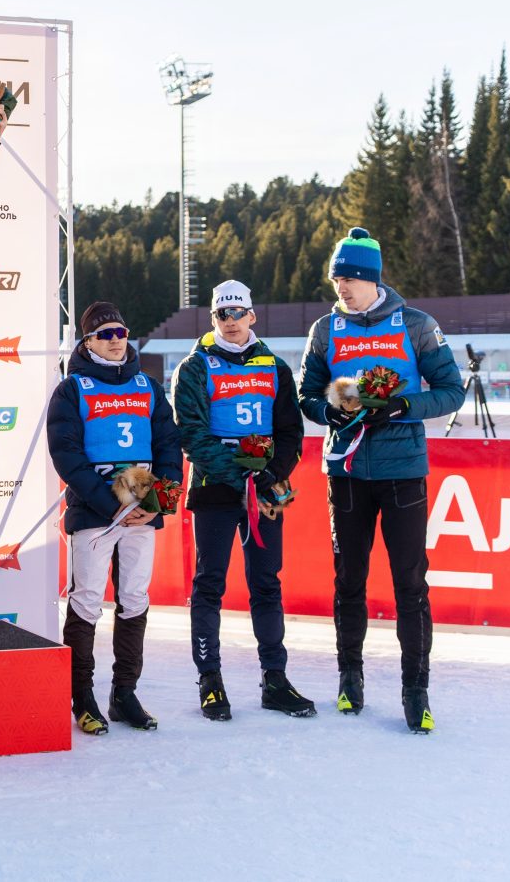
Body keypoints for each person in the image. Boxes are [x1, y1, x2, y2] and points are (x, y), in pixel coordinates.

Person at [297, 227, 464, 733]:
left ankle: (416, 689)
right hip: (346, 472)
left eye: (347, 279)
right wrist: (330, 412)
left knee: (410, 583)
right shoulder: (325, 329)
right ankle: (350, 677)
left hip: (402, 472)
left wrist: (402, 406)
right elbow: (307, 394)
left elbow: (451, 391)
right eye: (336, 280)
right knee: (349, 579)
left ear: (371, 279)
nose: (340, 288)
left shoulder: (415, 325)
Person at [170, 280, 314, 722]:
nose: (230, 321)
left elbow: (291, 432)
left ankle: (275, 679)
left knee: (267, 583)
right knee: (210, 584)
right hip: (215, 488)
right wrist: (243, 478)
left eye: (238, 313)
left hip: (265, 492)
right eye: (222, 314)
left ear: (252, 315)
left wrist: (271, 476)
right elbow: (192, 436)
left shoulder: (275, 367)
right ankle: (210, 680)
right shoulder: (195, 367)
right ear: (213, 318)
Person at [45, 301, 182, 735]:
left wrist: (160, 500)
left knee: (135, 598)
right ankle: (81, 697)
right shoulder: (72, 389)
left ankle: (125, 693)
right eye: (105, 334)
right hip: (96, 513)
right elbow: (66, 454)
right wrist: (111, 505)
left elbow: (168, 445)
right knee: (87, 600)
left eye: (120, 332)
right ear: (88, 342)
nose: (115, 340)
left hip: (142, 513)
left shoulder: (148, 385)